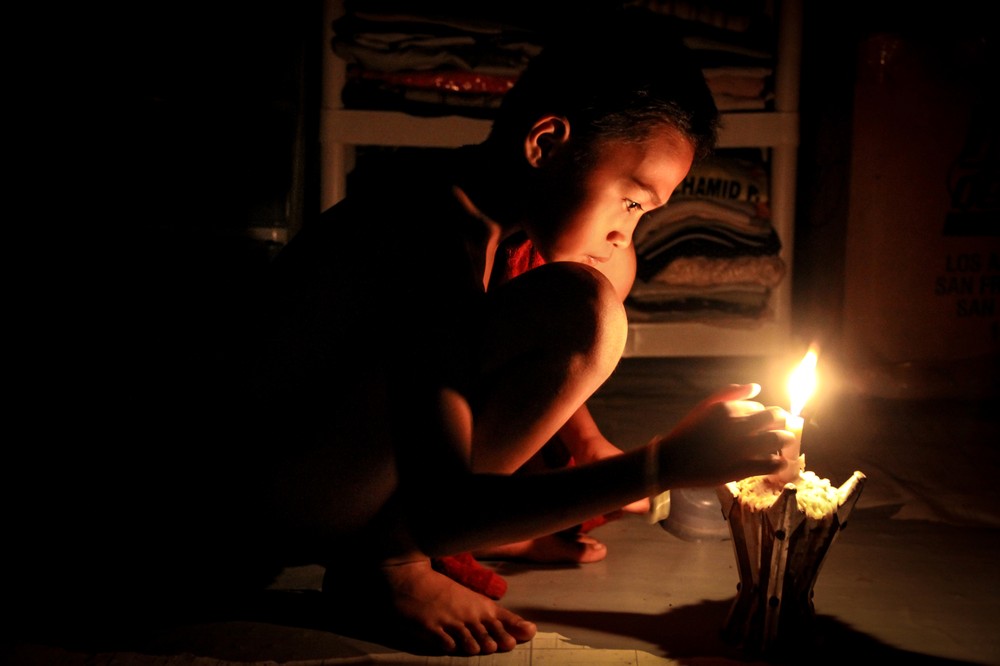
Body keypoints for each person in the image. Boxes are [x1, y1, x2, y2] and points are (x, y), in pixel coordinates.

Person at [229, 8, 797, 656]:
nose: (626, 230)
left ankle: (429, 537)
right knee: (588, 310)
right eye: (632, 201)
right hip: (266, 499)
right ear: (546, 143)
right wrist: (664, 464)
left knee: (604, 276)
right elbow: (441, 510)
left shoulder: (493, 218)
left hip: (345, 473)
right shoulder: (430, 240)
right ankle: (388, 563)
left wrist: (589, 447)